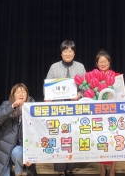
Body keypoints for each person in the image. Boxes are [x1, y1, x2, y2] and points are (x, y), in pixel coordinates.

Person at [45, 40, 86, 176]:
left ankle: (70, 169)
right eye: (65, 51)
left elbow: (86, 87)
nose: (68, 53)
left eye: (70, 51)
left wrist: (79, 95)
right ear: (61, 53)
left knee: (72, 137)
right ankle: (60, 170)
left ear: (74, 53)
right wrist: (48, 96)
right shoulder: (54, 67)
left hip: (74, 109)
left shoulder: (80, 67)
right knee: (59, 137)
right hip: (58, 109)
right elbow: (47, 87)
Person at [0, 83, 37, 176]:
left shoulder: (33, 107)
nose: (21, 94)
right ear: (13, 95)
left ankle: (18, 172)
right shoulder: (7, 104)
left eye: (23, 91)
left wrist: (31, 155)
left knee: (17, 153)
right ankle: (10, 167)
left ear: (27, 94)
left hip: (21, 147)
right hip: (5, 147)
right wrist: (12, 107)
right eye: (17, 92)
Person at [94, 50, 118, 176]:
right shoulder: (93, 77)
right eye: (100, 62)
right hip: (99, 113)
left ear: (109, 62)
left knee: (113, 140)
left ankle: (113, 169)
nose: (103, 64)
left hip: (113, 112)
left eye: (105, 61)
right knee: (101, 140)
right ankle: (102, 169)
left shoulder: (116, 76)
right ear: (97, 64)